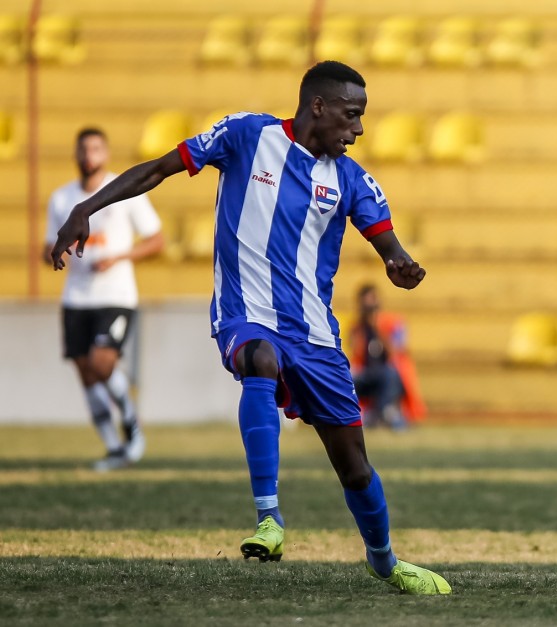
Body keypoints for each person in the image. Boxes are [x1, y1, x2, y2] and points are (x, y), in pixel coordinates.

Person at [50, 61, 450, 595]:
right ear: (318, 107)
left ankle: (385, 561)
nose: (358, 130)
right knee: (258, 357)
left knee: (354, 468)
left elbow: (391, 248)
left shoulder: (352, 180)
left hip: (315, 336)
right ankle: (270, 518)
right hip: (245, 314)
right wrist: (87, 206)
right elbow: (158, 169)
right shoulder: (246, 135)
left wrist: (401, 267)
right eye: (352, 116)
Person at [43, 127, 164, 471]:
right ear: (76, 154)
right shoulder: (61, 198)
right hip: (76, 298)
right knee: (86, 373)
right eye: (83, 149)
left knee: (101, 364)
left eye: (95, 148)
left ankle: (131, 421)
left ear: (106, 153)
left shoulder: (125, 191)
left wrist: (120, 257)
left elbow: (157, 240)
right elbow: (47, 246)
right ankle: (114, 448)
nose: (88, 155)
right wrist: (54, 254)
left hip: (116, 294)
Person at [348, 283, 426, 429]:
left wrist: (377, 328)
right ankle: (364, 413)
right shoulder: (356, 327)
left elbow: (397, 351)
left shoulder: (394, 322)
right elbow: (354, 355)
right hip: (366, 373)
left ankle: (386, 411)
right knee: (348, 378)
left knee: (390, 375)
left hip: (389, 373)